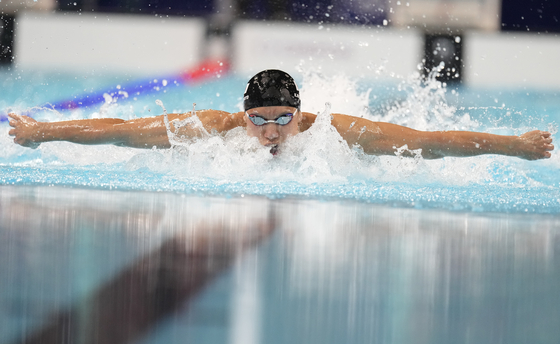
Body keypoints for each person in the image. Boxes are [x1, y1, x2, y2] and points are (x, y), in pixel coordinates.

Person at [7, 69, 554, 160]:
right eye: (260, 120)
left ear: (300, 113)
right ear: (243, 116)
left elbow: (429, 141)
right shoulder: (213, 129)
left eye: (281, 119)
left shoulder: (332, 135)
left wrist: (517, 145)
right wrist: (42, 133)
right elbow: (122, 132)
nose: (271, 132)